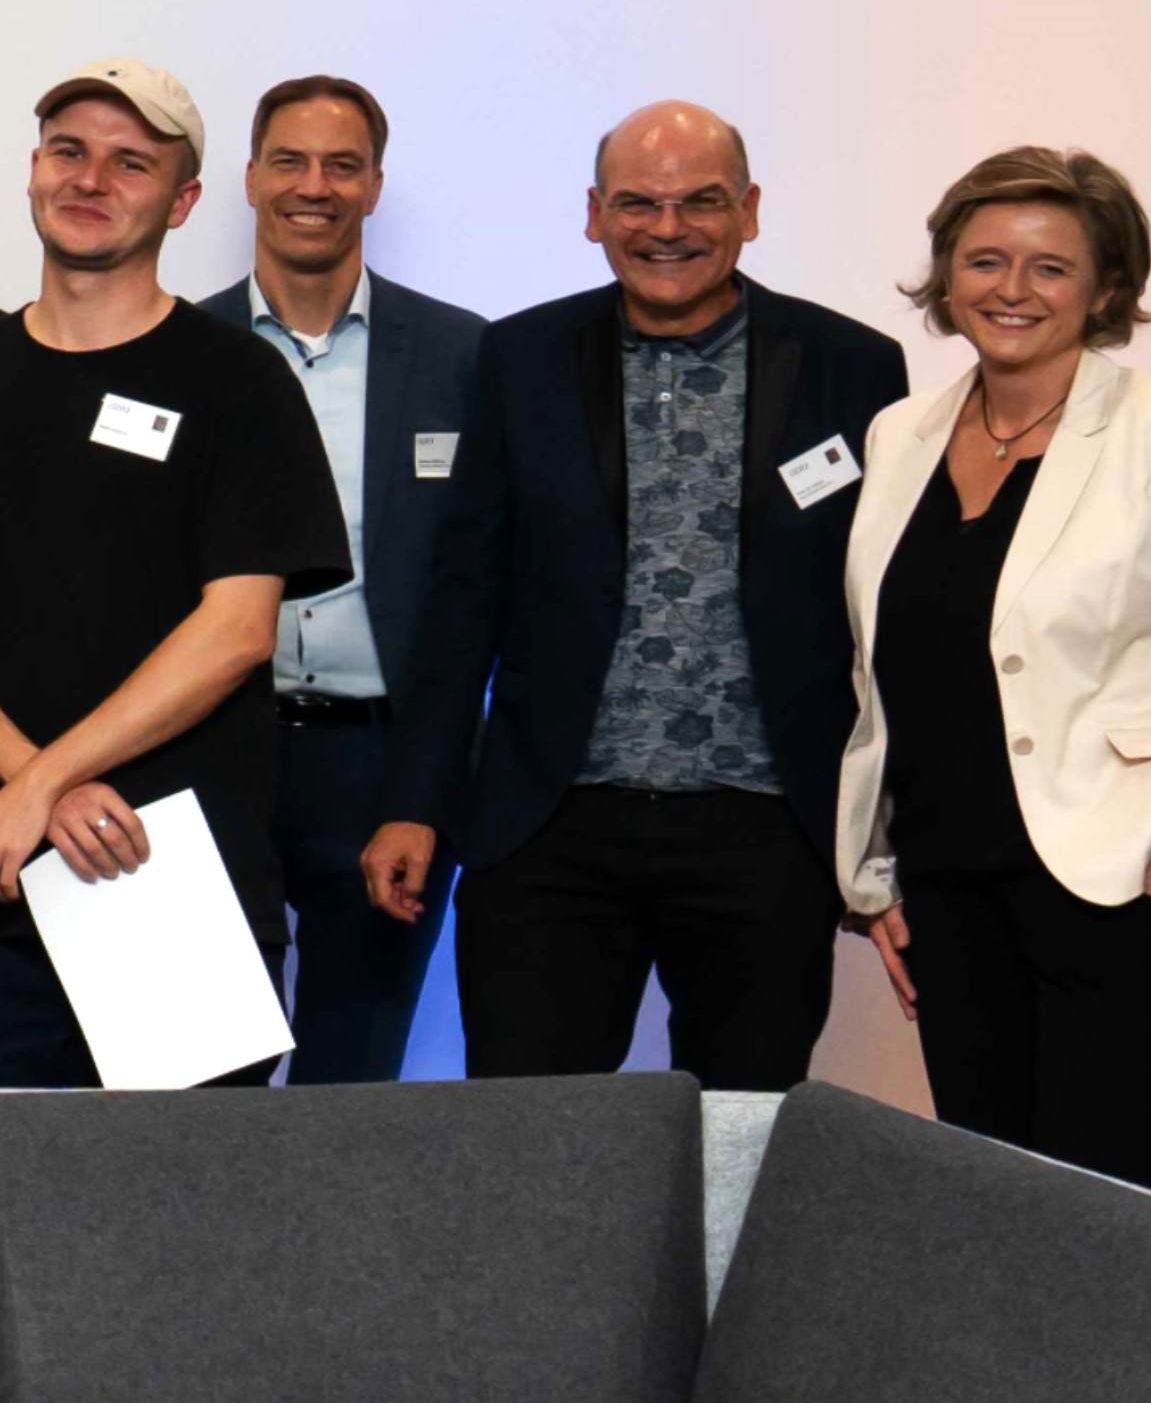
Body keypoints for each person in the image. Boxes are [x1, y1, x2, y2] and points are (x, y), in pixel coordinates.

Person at [378, 102, 902, 1090]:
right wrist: (413, 802)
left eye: (700, 200)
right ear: (592, 213)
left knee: (742, 1128)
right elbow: (461, 600)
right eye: (636, 203)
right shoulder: (519, 357)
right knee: (532, 1134)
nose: (667, 227)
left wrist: (885, 836)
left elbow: (888, 613)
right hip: (551, 823)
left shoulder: (855, 366)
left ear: (749, 209)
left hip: (766, 826)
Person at [0, 65, 352, 1091]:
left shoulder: (238, 380)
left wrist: (38, 785)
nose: (89, 179)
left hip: (177, 888)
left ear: (182, 200)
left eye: (130, 162)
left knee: (183, 1190)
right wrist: (31, 788)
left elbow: (236, 629)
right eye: (68, 151)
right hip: (0, 888)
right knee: (8, 1187)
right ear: (33, 170)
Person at [837, 150, 1151, 1196]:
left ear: (1103, 288)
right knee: (992, 1200)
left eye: (1049, 266)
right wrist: (870, 872)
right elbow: (882, 671)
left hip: (1114, 882)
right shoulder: (899, 434)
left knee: (1111, 1215)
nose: (1011, 288)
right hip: (944, 886)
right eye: (983, 260)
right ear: (945, 277)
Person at [190, 77, 491, 1086]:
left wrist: (421, 794)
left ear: (373, 185)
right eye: (288, 160)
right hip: (214, 756)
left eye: (340, 164)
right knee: (202, 1078)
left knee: (353, 1093)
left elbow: (474, 596)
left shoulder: (463, 355)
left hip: (383, 769)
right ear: (248, 178)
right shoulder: (180, 351)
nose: (312, 186)